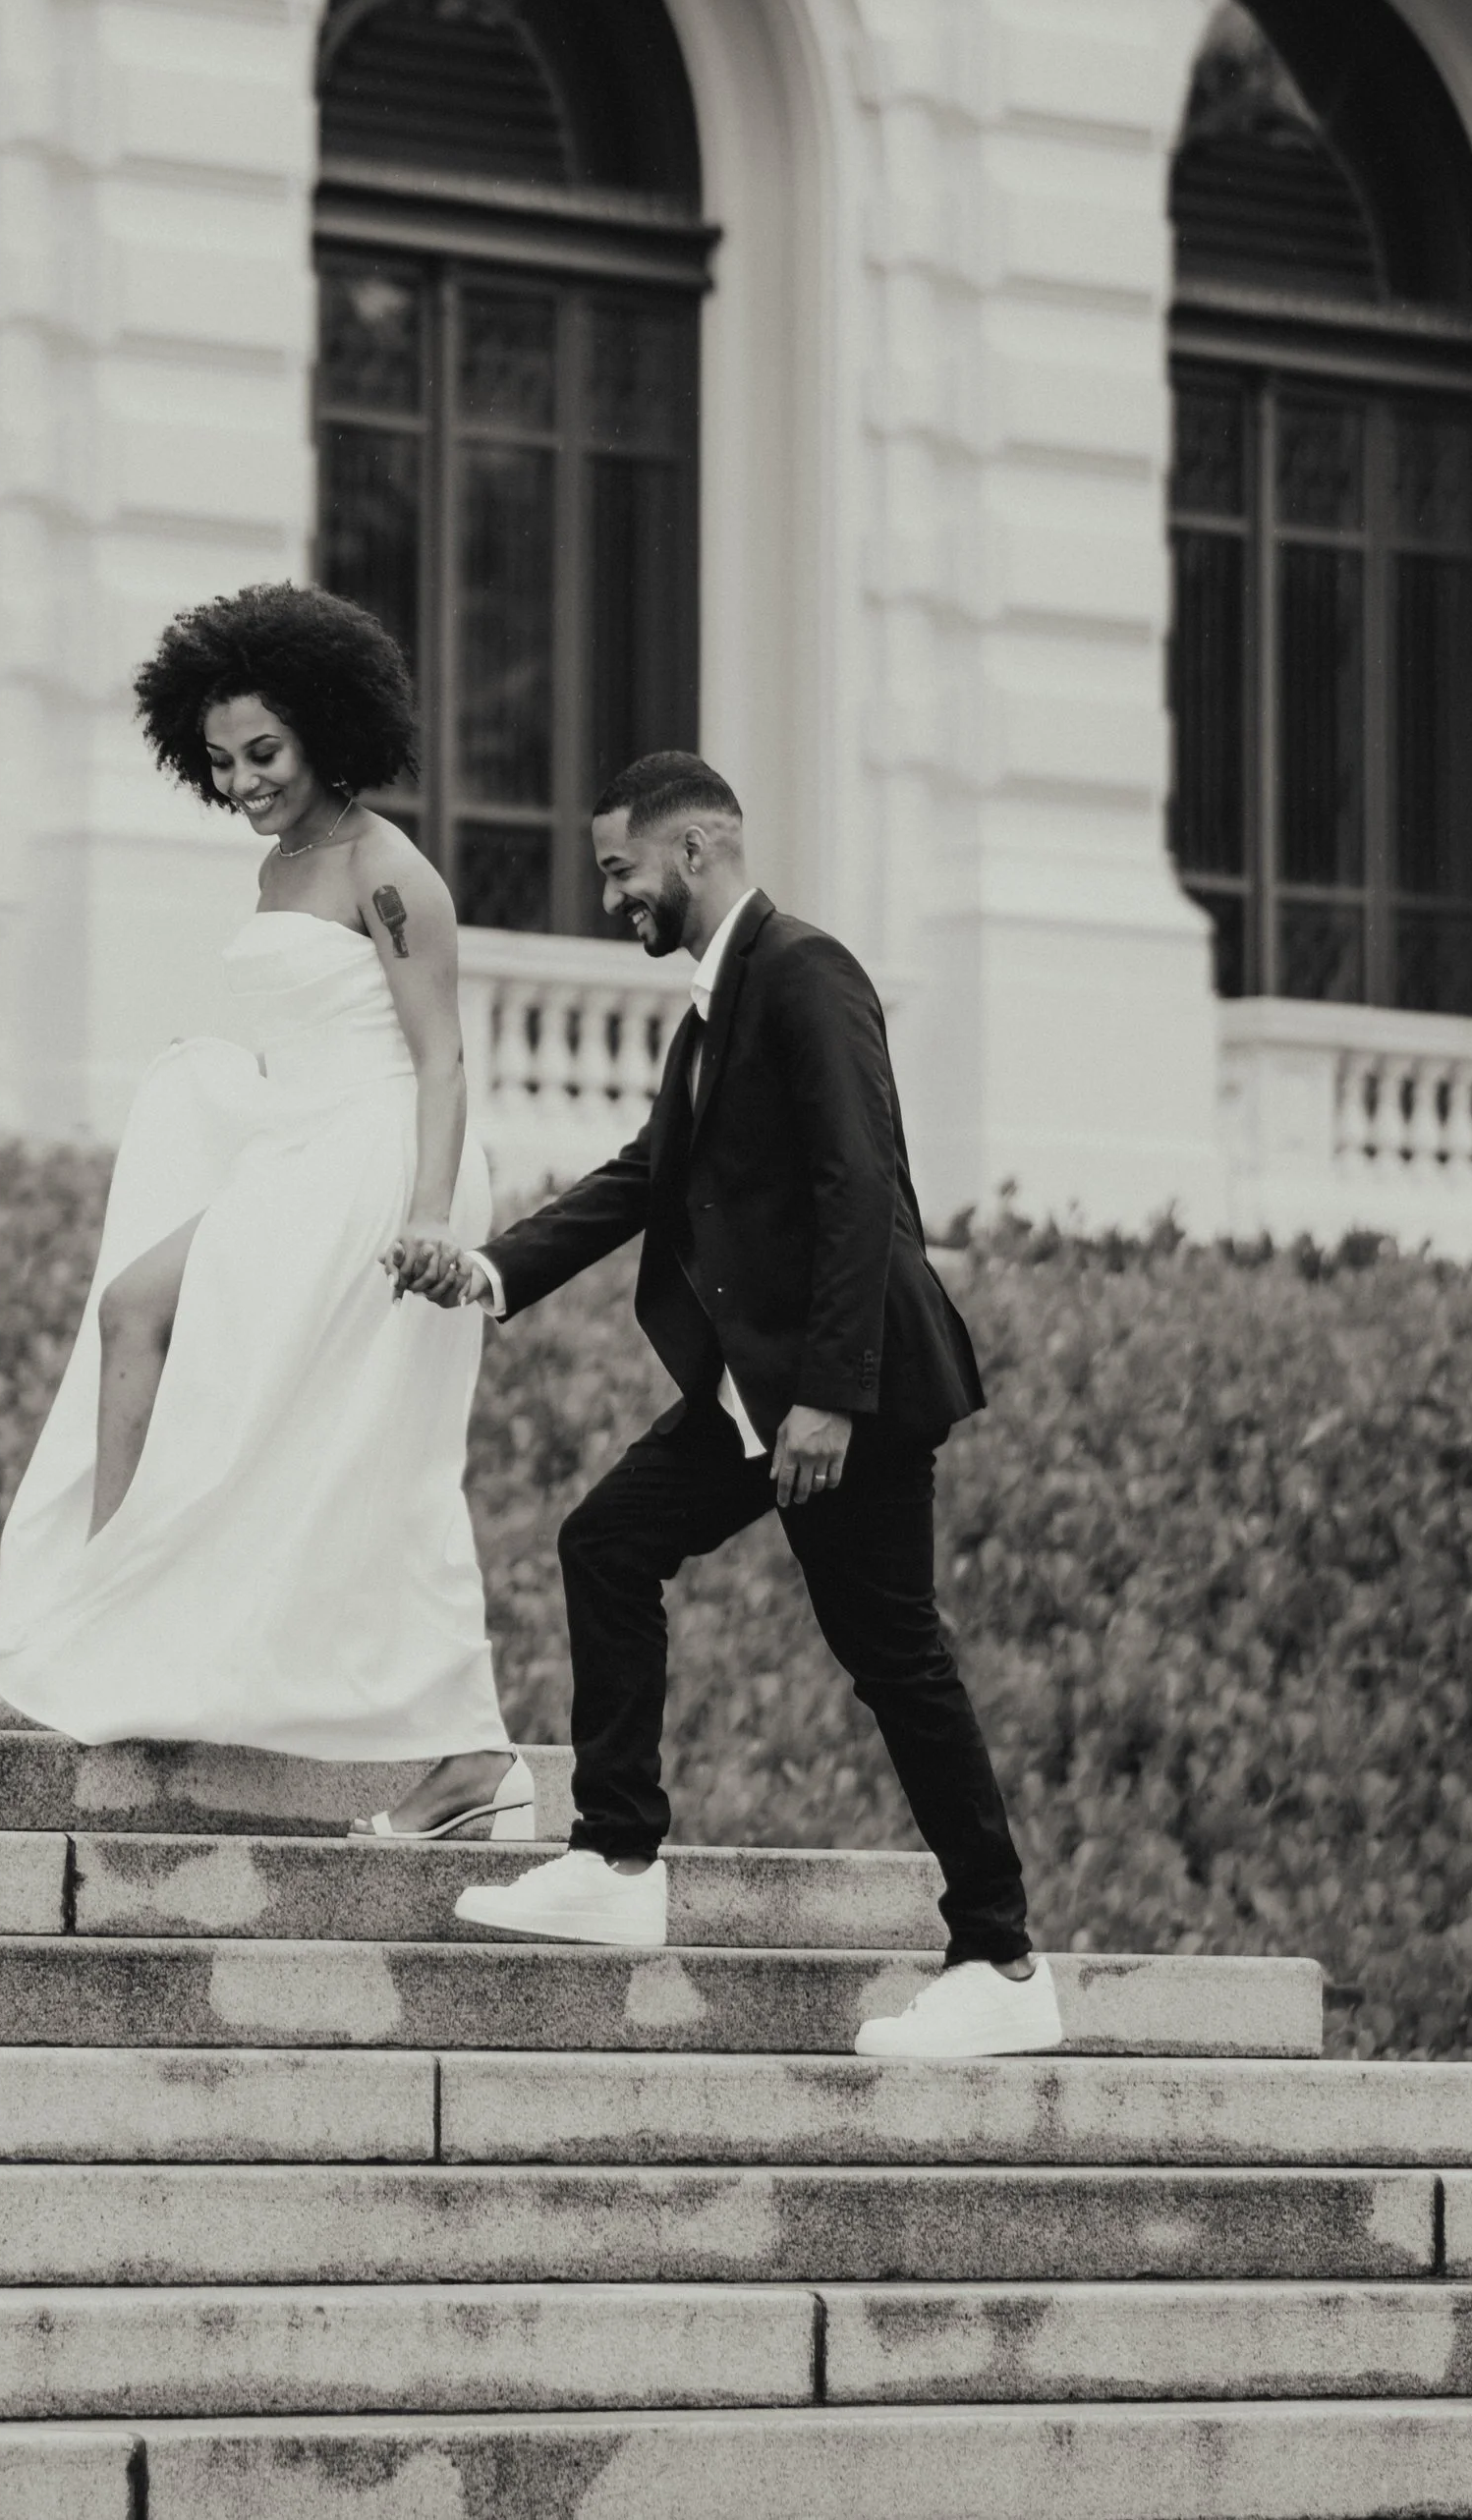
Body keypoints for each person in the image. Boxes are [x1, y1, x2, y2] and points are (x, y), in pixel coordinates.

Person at [390, 750, 1059, 2060]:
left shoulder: (805, 971)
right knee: (608, 1541)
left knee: (895, 1657)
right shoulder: (713, 1007)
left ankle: (1000, 1956)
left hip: (835, 1386)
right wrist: (487, 1268)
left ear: (694, 850)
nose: (609, 897)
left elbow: (862, 1186)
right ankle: (620, 1861)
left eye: (620, 870)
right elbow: (649, 1175)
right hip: (767, 1386)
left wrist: (829, 1397)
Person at [0, 583, 530, 1845]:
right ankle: (120, 1614)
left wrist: (432, 1219)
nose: (243, 782)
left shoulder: (390, 873)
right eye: (218, 762)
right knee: (163, 1333)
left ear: (326, 727)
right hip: (306, 1151)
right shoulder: (282, 863)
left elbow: (439, 1063)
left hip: (385, 1168)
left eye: (262, 752)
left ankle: (467, 1753)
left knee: (364, 1438)